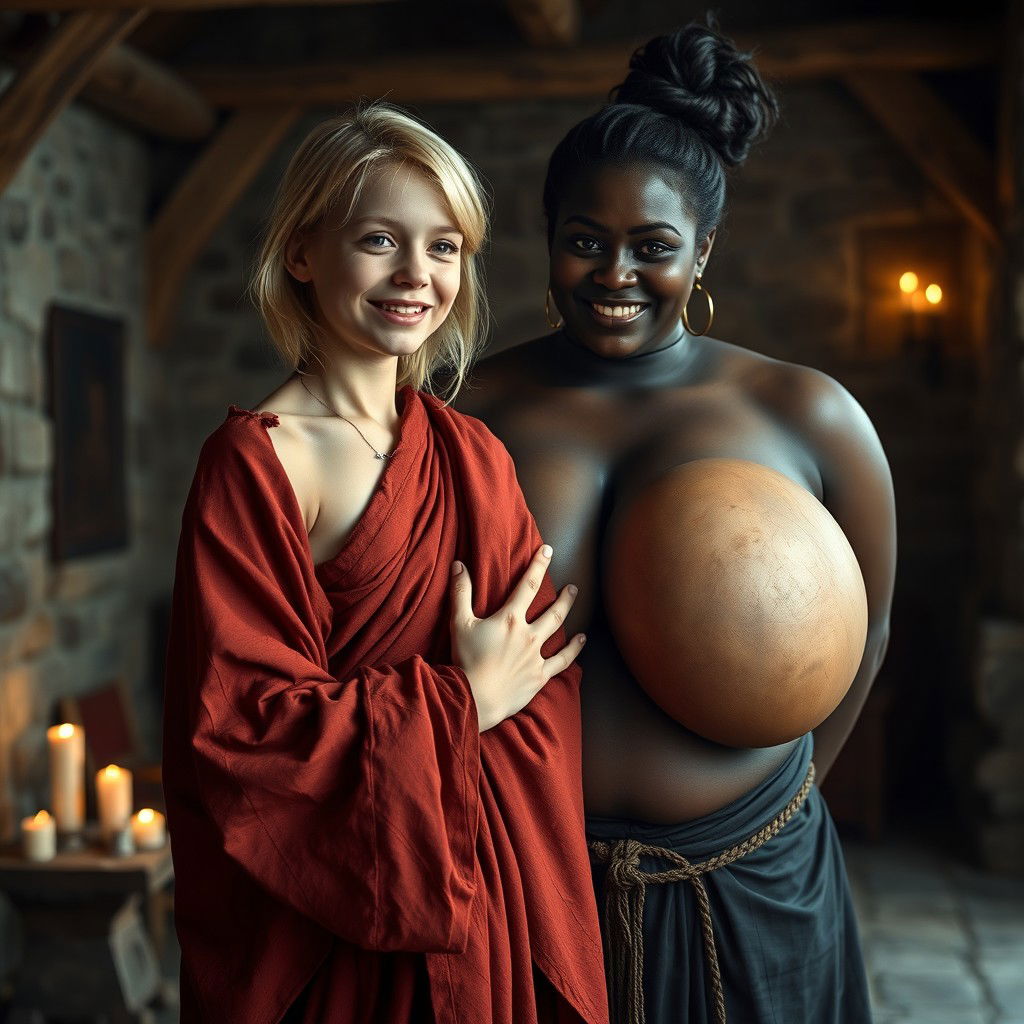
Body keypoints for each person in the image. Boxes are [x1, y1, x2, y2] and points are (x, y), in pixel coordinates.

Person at [459, 21, 895, 1024]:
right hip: (529, 889)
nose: (615, 274)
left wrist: (774, 812)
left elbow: (866, 628)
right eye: (584, 241)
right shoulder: (469, 411)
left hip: (748, 884)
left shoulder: (803, 412)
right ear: (548, 236)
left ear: (701, 250)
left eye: (652, 247)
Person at [162, 104, 609, 1024]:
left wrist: (496, 697)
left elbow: (541, 674)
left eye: (445, 247)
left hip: (480, 892)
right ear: (301, 253)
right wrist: (463, 705)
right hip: (337, 919)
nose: (417, 275)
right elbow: (241, 731)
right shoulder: (258, 460)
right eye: (379, 240)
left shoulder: (473, 454)